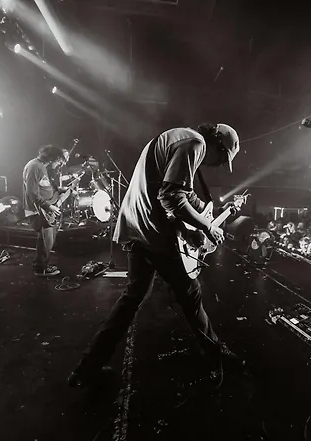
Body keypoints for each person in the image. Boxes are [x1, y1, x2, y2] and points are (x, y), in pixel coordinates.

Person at [68, 123, 242, 388]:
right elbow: (171, 197)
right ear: (216, 143)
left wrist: (212, 213)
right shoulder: (195, 144)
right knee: (191, 295)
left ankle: (86, 368)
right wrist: (207, 226)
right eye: (221, 159)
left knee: (131, 299)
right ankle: (215, 355)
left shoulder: (179, 137)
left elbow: (184, 194)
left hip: (135, 227)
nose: (217, 165)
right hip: (154, 233)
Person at [23, 144, 68, 277]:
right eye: (59, 161)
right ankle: (41, 269)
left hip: (44, 208)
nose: (59, 164)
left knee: (47, 239)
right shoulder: (34, 166)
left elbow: (44, 187)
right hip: (39, 210)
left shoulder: (41, 167)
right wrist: (48, 206)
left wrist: (59, 190)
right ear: (52, 158)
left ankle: (41, 264)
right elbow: (32, 192)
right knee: (45, 239)